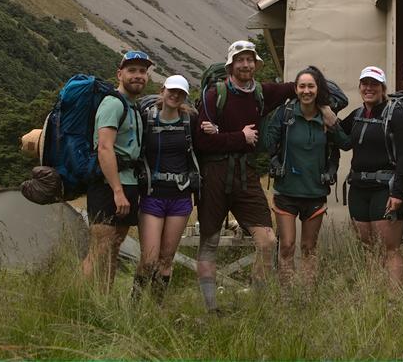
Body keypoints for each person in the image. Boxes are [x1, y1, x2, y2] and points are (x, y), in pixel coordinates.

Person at [191, 39, 296, 312]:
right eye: (240, 60)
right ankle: (211, 309)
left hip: (245, 174)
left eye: (250, 60)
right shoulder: (214, 95)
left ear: (256, 64)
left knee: (267, 240)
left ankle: (256, 305)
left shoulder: (262, 93)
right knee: (209, 242)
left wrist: (325, 106)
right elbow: (202, 142)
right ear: (231, 65)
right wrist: (241, 137)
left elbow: (301, 86)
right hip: (214, 174)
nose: (246, 65)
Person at [262, 65, 349, 284]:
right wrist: (274, 161)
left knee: (309, 247)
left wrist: (333, 122)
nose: (306, 91)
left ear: (318, 89)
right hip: (286, 191)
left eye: (311, 86)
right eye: (302, 86)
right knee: (287, 245)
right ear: (296, 89)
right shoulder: (285, 114)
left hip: (315, 192)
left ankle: (308, 295)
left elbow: (345, 143)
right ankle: (287, 295)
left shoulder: (327, 117)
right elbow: (268, 141)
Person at [341, 65, 403, 288]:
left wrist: (398, 191)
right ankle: (373, 297)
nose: (369, 88)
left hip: (387, 189)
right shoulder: (357, 115)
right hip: (358, 189)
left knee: (389, 248)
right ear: (359, 87)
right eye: (365, 84)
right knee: (368, 247)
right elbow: (340, 137)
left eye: (374, 84)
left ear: (383, 88)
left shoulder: (397, 114)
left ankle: (393, 300)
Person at [81, 49, 149, 291]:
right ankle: (77, 304)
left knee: (114, 247)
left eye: (142, 71)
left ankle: (104, 302)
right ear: (120, 74)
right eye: (132, 70)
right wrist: (117, 191)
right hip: (107, 185)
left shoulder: (134, 107)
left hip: (128, 184)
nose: (138, 75)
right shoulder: (112, 103)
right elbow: (104, 148)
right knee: (100, 248)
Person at [132, 74, 199, 302]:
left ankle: (156, 308)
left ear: (185, 96)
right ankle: (135, 305)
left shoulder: (190, 121)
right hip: (152, 195)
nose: (175, 95)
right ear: (163, 90)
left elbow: (205, 147)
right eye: (172, 90)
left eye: (180, 93)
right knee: (149, 259)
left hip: (180, 196)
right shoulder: (146, 118)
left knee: (166, 259)